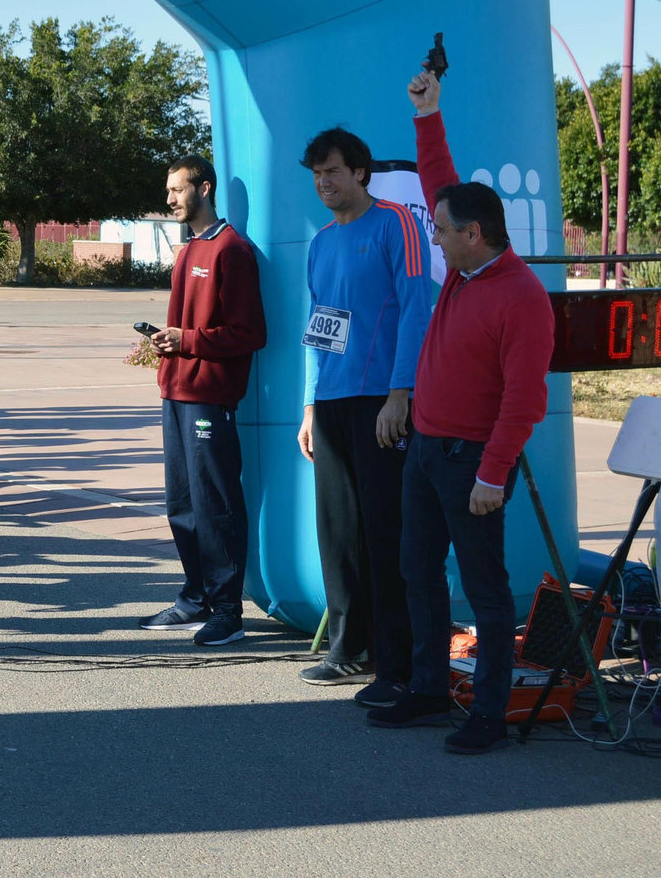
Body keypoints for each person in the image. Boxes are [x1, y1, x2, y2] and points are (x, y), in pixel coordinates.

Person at [366, 69, 555, 755]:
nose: (433, 236)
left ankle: (489, 716)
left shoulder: (521, 297)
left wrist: (492, 474)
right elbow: (438, 182)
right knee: (417, 569)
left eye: (442, 231)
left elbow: (524, 398)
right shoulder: (466, 264)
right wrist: (428, 115)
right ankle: (426, 688)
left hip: (472, 459)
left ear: (474, 234)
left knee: (485, 588)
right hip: (426, 448)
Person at [294, 127, 432, 698]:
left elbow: (416, 309)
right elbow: (318, 330)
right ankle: (348, 650)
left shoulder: (397, 222)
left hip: (381, 402)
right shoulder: (321, 241)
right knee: (337, 532)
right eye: (316, 174)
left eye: (333, 171)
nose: (324, 182)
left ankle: (396, 662)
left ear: (360, 172)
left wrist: (401, 393)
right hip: (330, 405)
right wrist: (308, 405)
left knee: (385, 532)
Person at [138, 155, 266, 647]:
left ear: (204, 188)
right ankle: (195, 600)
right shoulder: (189, 247)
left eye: (176, 189)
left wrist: (187, 340)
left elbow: (251, 332)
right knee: (182, 505)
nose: (169, 199)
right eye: (168, 190)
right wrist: (169, 341)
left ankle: (228, 611)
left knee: (215, 505)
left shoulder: (232, 248)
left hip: (210, 396)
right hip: (175, 390)